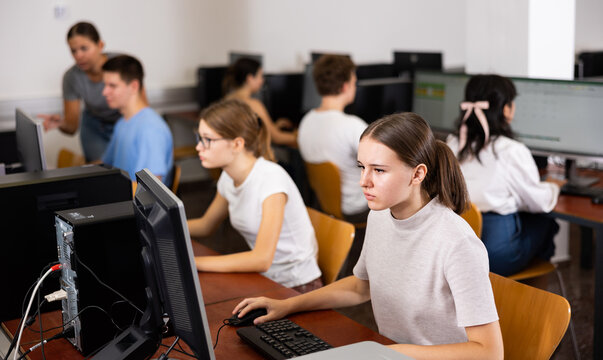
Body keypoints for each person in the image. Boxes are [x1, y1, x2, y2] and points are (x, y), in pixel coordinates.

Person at [233, 113, 503, 359]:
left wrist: (389, 354)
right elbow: (360, 286)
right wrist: (288, 305)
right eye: (362, 167)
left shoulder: (456, 242)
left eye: (379, 170)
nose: (364, 180)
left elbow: (489, 352)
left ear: (418, 174)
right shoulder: (380, 215)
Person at [186, 99, 321, 292]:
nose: (199, 147)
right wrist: (163, 226)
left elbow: (261, 259)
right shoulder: (228, 176)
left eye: (207, 140)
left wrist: (194, 263)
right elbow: (206, 224)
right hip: (267, 278)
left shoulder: (270, 180)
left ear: (237, 144)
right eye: (199, 138)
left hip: (296, 285)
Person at [446, 74, 560, 276]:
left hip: (456, 251)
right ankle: (534, 300)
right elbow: (539, 203)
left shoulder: (453, 143)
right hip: (495, 255)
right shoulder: (511, 150)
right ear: (506, 109)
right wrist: (553, 186)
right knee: (546, 222)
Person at [297, 54, 369, 222]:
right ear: (345, 87)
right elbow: (385, 162)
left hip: (325, 205)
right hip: (356, 208)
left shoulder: (306, 121)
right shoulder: (353, 126)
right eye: (354, 83)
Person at [40, 21, 121, 162]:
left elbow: (141, 109)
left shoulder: (122, 65)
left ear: (100, 45)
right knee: (101, 174)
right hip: (94, 126)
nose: (78, 55)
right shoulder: (71, 77)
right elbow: (71, 127)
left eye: (84, 48)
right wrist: (61, 124)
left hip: (123, 123)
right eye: (73, 51)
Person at [101, 55, 173, 184]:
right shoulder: (122, 123)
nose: (105, 92)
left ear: (134, 86)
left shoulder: (151, 129)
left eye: (112, 86)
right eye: (105, 85)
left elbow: (151, 191)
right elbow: (105, 164)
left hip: (133, 203)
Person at [223, 57, 297, 147]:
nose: (262, 80)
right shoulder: (253, 104)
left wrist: (274, 126)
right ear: (250, 78)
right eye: (260, 76)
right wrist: (300, 137)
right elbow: (276, 138)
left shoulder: (227, 100)